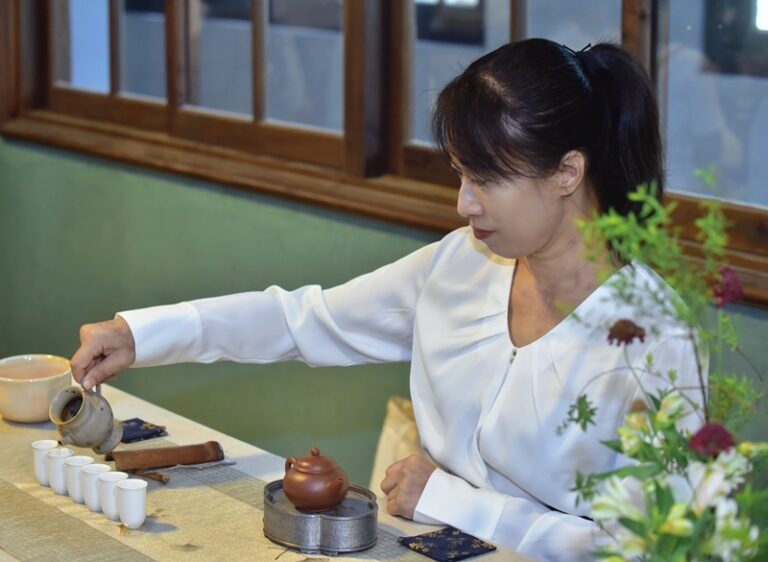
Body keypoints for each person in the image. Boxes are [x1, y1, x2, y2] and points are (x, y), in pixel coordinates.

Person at [70, 39, 704, 561]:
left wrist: (453, 501)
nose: (464, 203)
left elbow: (648, 547)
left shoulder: (654, 338)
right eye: (461, 173)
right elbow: (305, 320)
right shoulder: (463, 264)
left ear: (567, 172)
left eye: (486, 178)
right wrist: (140, 334)